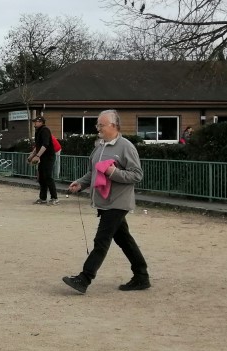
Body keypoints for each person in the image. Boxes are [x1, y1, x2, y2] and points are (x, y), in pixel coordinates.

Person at [62, 109, 150, 294]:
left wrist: (113, 173)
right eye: (98, 125)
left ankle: (84, 278)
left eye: (101, 125)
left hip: (117, 203)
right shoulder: (99, 146)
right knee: (124, 240)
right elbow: (93, 172)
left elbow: (137, 174)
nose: (98, 128)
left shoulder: (126, 146)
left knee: (101, 241)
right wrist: (80, 183)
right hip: (104, 202)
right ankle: (141, 276)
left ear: (114, 125)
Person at [26, 116, 58, 205]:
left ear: (41, 122)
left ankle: (54, 197)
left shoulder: (45, 130)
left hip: (48, 156)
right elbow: (38, 146)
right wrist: (31, 156)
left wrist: (37, 156)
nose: (34, 123)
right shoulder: (38, 131)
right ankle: (43, 198)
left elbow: (45, 144)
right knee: (42, 178)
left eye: (36, 121)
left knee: (48, 176)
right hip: (42, 157)